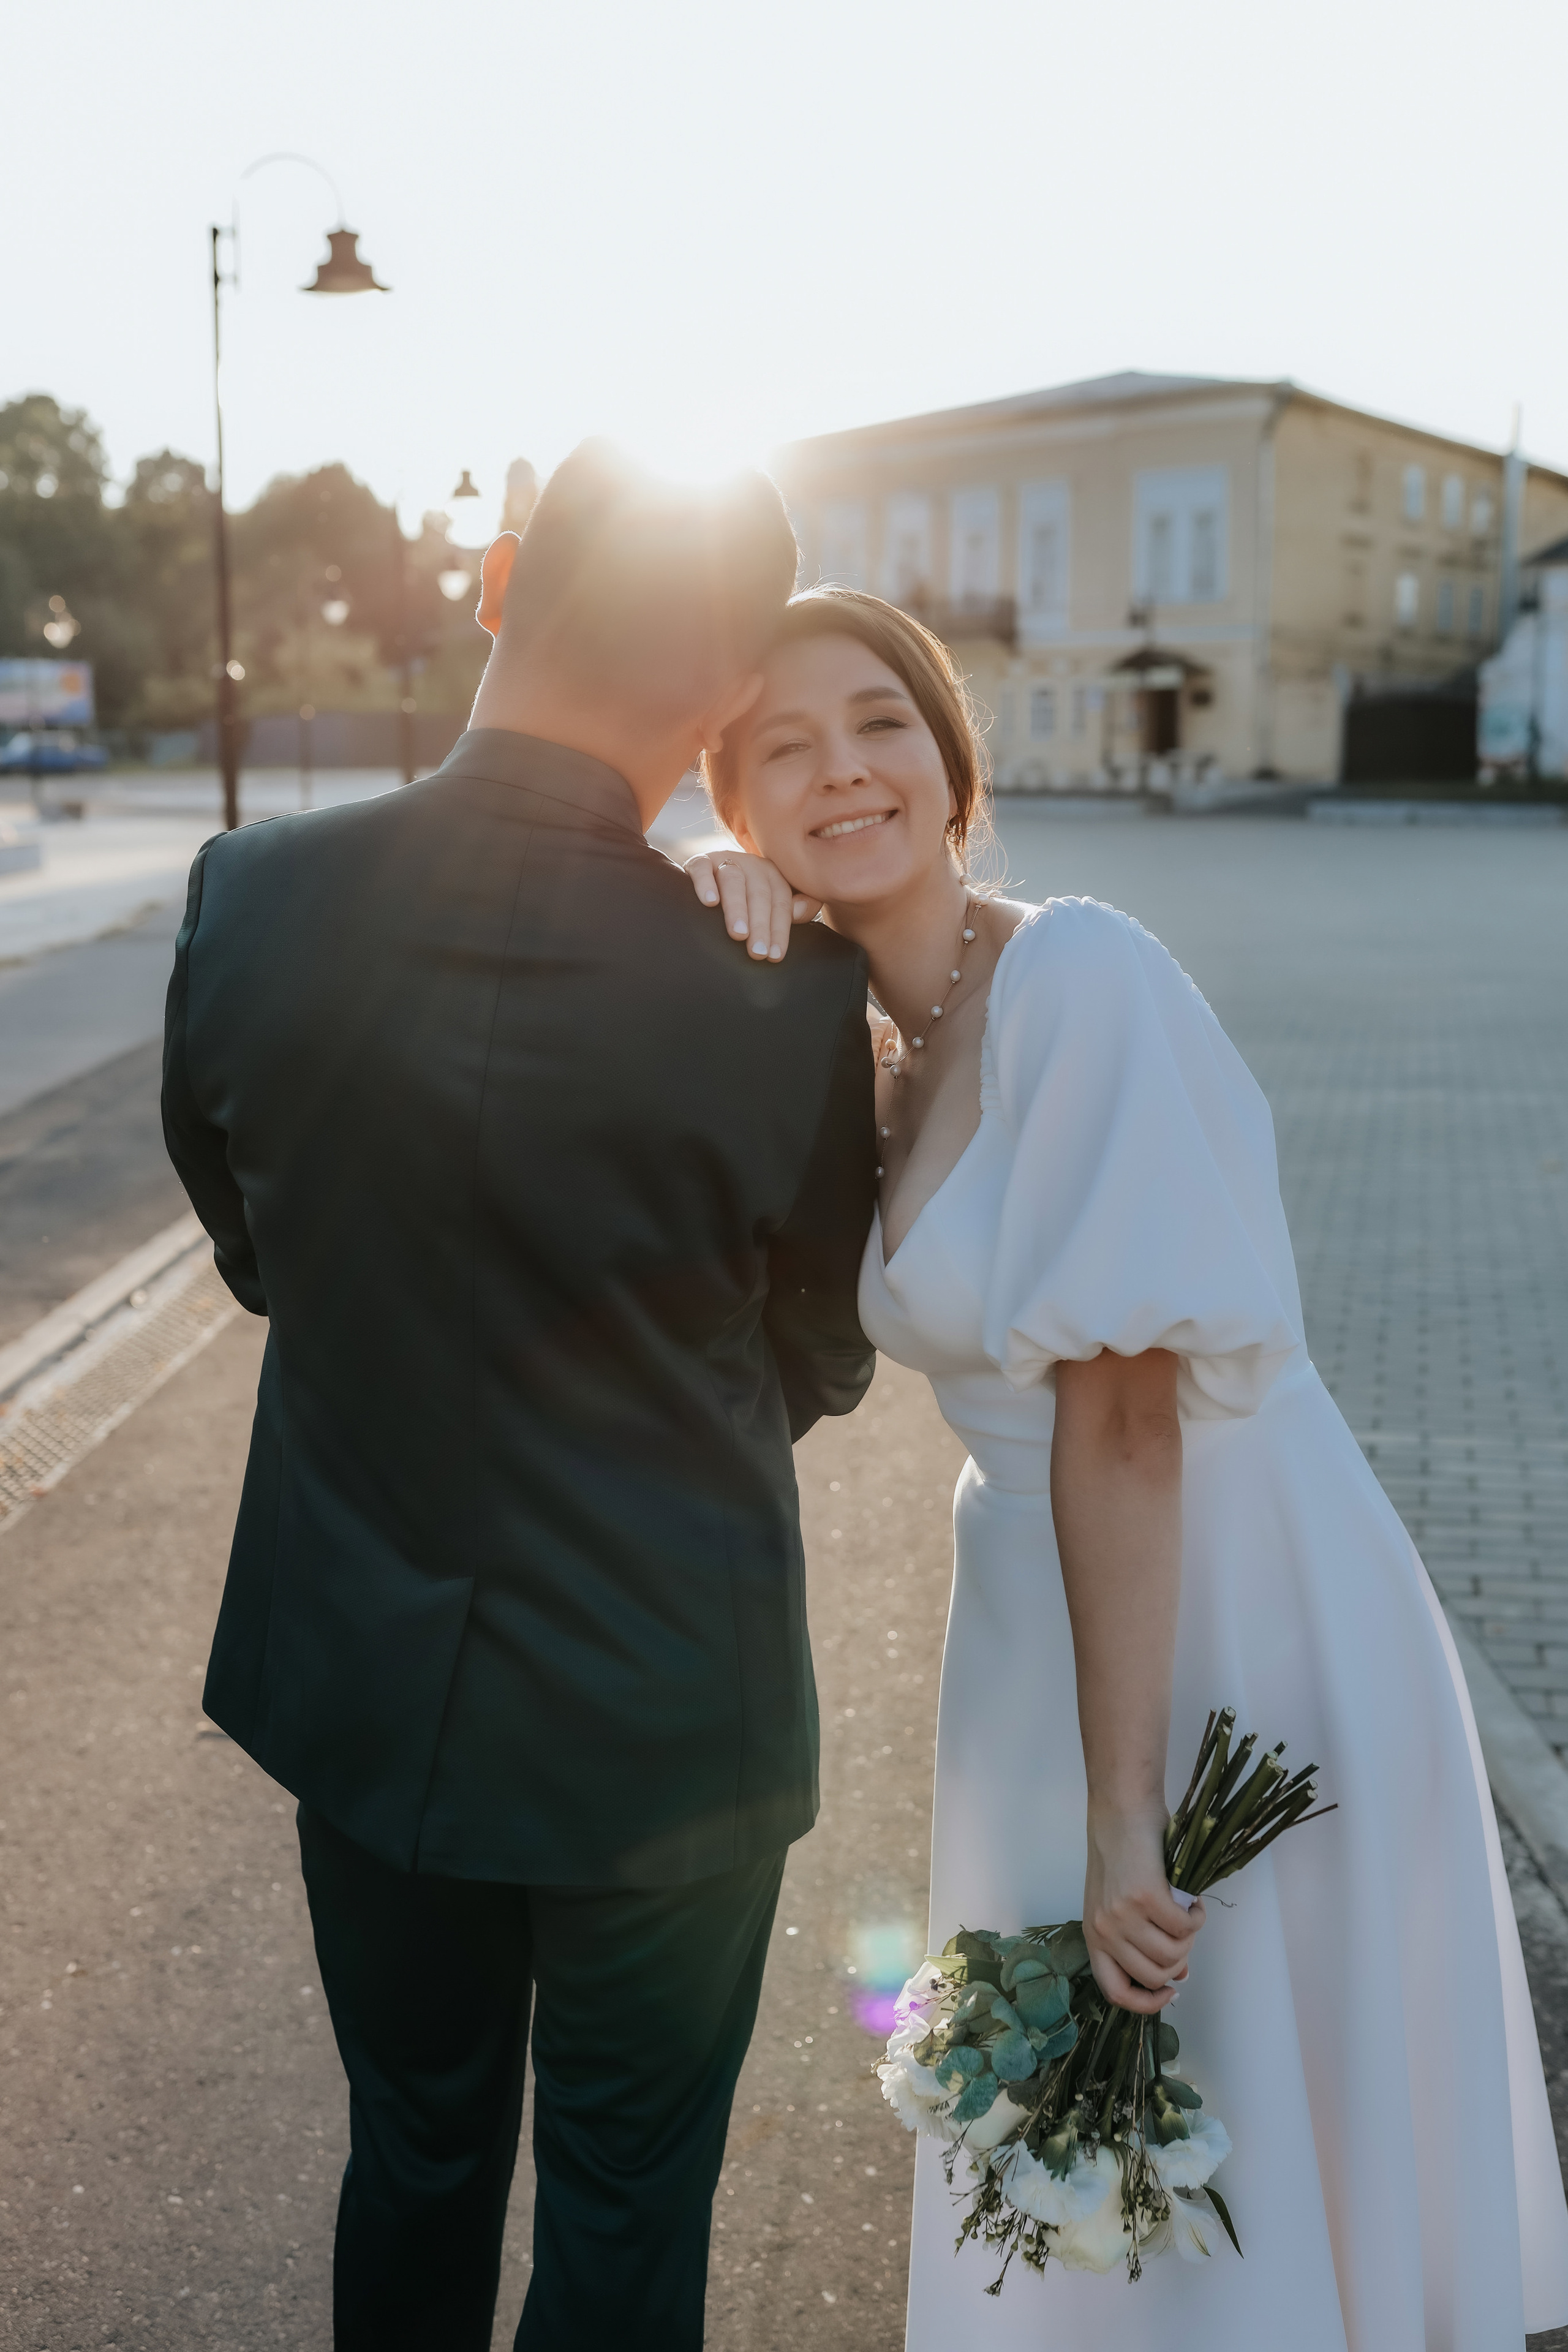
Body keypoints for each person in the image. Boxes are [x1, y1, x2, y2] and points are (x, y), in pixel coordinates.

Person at [687, 584, 1568, 2349]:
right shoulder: (874, 1045)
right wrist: (699, 912)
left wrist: (1122, 1812)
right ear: (738, 804)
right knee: (1115, 2101)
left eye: (879, 723)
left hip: (1219, 1588)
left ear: (952, 762)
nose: (841, 770)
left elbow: (1128, 1417)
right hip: (1045, 1600)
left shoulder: (1076, 975)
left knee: (1217, 2032)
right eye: (781, 749)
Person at [160, 446, 879, 2350]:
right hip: (672, 1718)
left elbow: (255, 1250)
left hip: (368, 1687)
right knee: (631, 2210)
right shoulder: (777, 993)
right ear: (726, 695)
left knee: (412, 2155)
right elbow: (827, 1343)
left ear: (495, 585)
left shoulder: (248, 899)